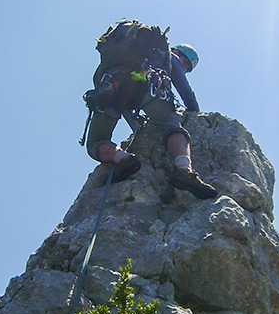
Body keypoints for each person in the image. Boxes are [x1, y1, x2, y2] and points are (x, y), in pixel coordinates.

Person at [85, 41, 218, 200]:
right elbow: (186, 92)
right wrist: (194, 112)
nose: (184, 69)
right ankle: (184, 170)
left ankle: (123, 159)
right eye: (186, 66)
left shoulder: (126, 56)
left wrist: (138, 130)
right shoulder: (170, 57)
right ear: (179, 54)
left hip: (113, 88)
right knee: (173, 128)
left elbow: (126, 108)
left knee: (96, 142)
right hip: (149, 86)